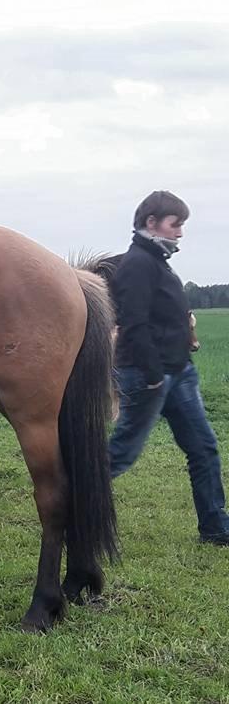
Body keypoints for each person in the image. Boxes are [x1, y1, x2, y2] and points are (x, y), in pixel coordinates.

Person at [108, 190, 229, 546]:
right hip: (150, 376)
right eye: (176, 224)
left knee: (203, 448)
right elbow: (134, 323)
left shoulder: (157, 261)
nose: (181, 232)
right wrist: (152, 374)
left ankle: (216, 528)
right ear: (151, 223)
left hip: (179, 374)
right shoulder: (138, 265)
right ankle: (67, 501)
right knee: (120, 454)